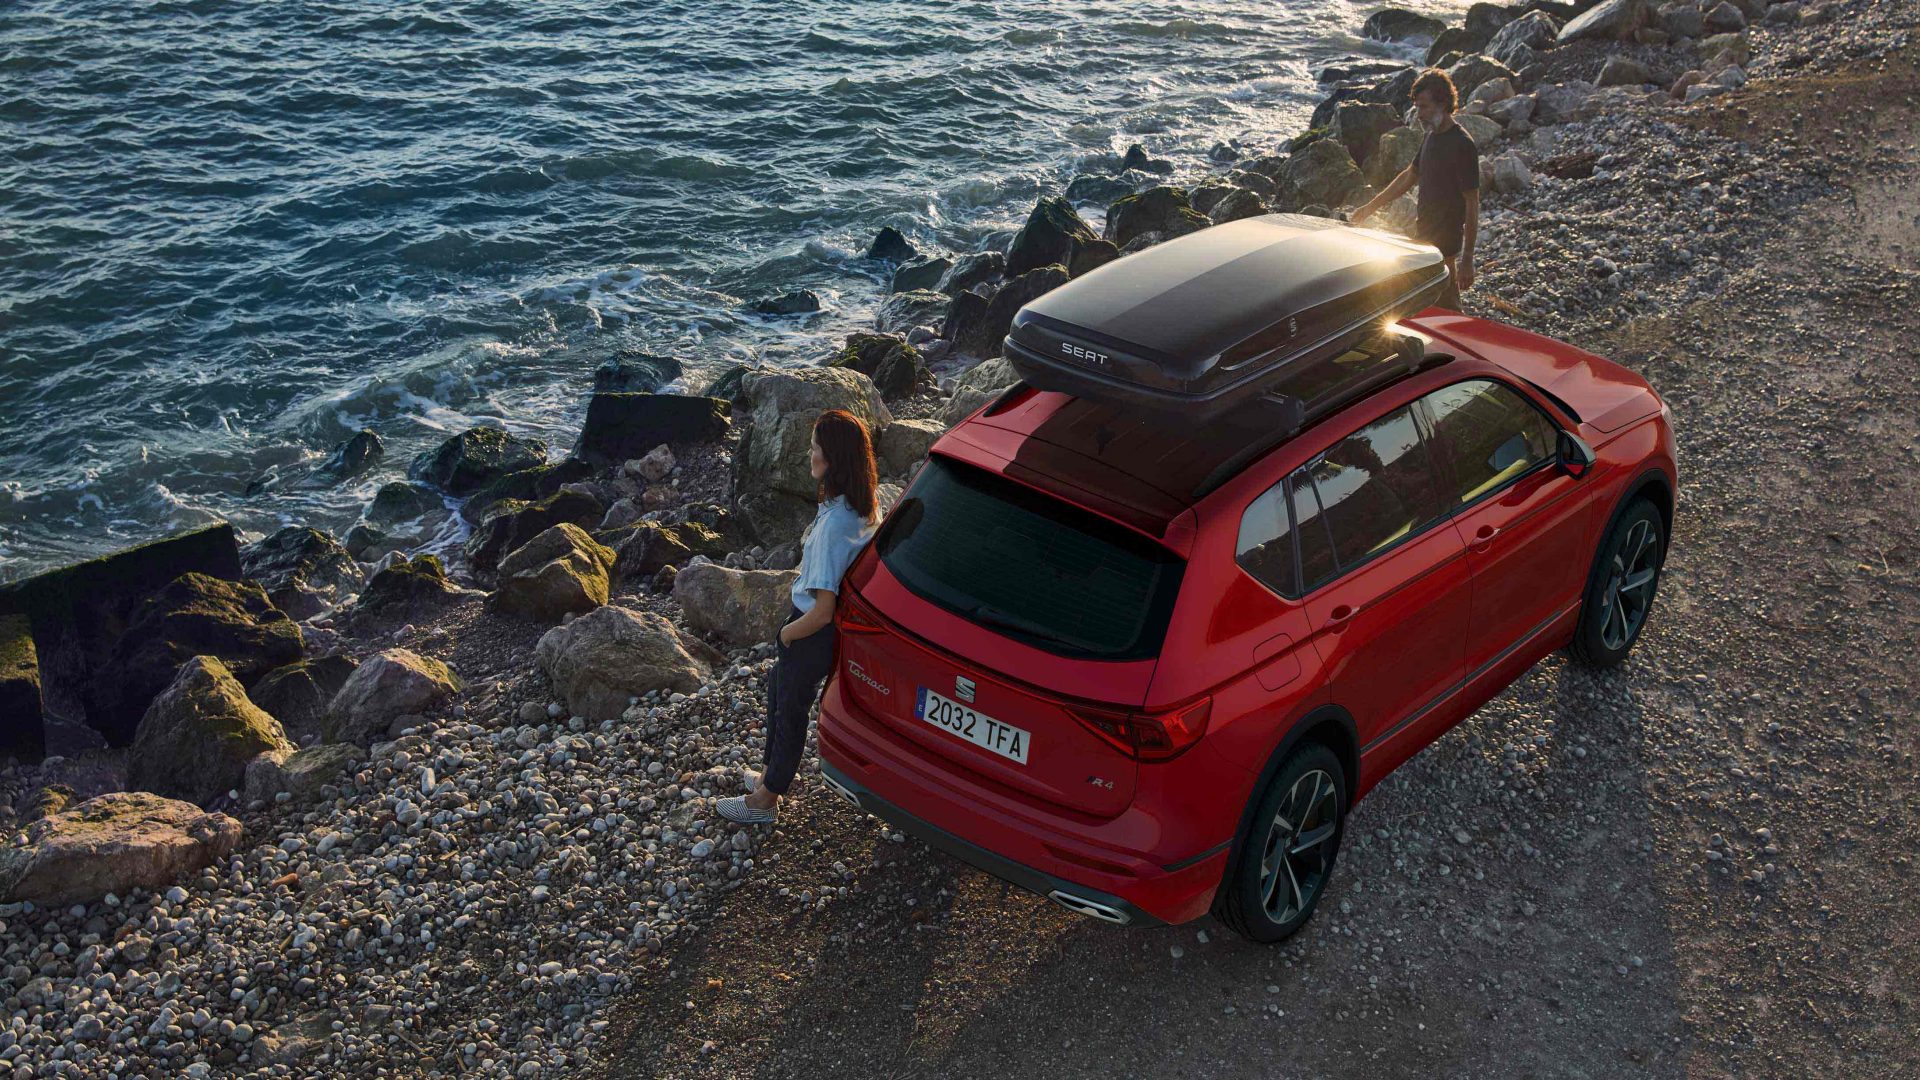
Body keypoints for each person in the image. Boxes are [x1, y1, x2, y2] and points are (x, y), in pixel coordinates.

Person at [716, 409, 881, 825]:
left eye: (814, 448)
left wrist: (788, 634)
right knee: (778, 693)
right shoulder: (861, 506)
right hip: (817, 629)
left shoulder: (833, 527)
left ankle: (765, 801)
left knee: (790, 711)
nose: (808, 455)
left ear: (832, 460)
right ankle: (768, 778)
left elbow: (823, 611)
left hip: (810, 630)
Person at [1349, 68, 1481, 311]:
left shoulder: (1462, 144)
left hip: (1444, 247)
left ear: (1442, 103)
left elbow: (1473, 203)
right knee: (1429, 305)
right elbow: (1409, 176)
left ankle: (1463, 344)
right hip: (1424, 236)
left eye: (1424, 107)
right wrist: (1370, 208)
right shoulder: (1431, 136)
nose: (1418, 114)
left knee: (1447, 307)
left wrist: (1468, 259)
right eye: (1417, 107)